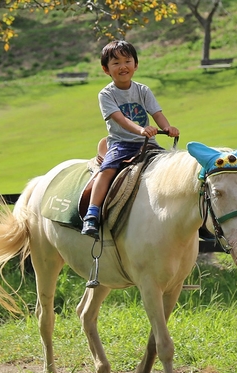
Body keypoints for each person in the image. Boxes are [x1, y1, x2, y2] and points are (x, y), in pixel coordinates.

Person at [81, 40, 180, 238]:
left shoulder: (143, 90)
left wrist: (167, 127)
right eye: (116, 63)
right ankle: (92, 213)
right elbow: (121, 119)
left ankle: (178, 211)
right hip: (121, 143)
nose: (123, 66)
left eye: (127, 61)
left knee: (170, 168)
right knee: (107, 170)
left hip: (148, 143)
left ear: (136, 64)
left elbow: (157, 113)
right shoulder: (106, 94)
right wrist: (141, 130)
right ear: (106, 69)